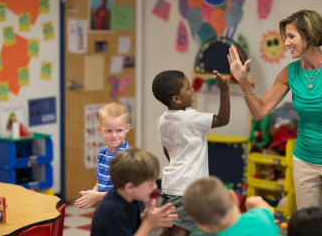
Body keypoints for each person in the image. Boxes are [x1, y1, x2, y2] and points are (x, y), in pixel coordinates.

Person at [228, 9, 322, 236]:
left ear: (310, 36)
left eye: (291, 36)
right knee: (307, 229)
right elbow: (260, 111)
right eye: (286, 37)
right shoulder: (290, 72)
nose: (286, 43)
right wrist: (243, 82)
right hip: (304, 159)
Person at [152, 70, 230, 236]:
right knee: (183, 228)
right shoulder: (191, 118)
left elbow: (167, 150)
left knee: (168, 227)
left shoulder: (162, 121)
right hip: (187, 186)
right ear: (176, 99)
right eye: (188, 88)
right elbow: (223, 119)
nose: (192, 90)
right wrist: (224, 91)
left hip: (170, 183)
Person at [90, 147, 178, 236]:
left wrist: (149, 217)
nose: (155, 187)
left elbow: (130, 221)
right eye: (150, 184)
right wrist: (148, 222)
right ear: (130, 188)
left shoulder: (130, 198)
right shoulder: (113, 211)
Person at [75, 102, 130, 209]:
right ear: (100, 129)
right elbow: (99, 182)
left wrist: (96, 196)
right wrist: (92, 194)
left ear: (127, 128)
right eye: (109, 131)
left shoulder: (127, 157)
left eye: (119, 130)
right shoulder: (102, 154)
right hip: (106, 206)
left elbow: (124, 192)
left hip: (123, 209)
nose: (114, 135)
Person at [183, 176, 279, 236]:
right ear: (234, 197)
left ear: (203, 226)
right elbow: (257, 201)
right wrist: (250, 203)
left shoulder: (261, 216)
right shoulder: (261, 218)